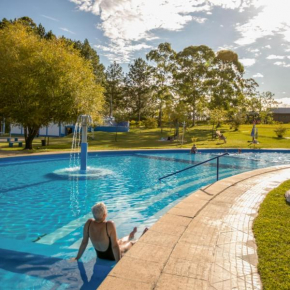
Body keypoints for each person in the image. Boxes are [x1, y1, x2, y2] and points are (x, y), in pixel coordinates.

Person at [71, 202, 148, 262]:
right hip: (112, 257)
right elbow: (114, 246)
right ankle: (141, 237)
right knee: (131, 243)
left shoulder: (89, 223)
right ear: (105, 215)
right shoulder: (109, 224)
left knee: (119, 241)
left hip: (100, 256)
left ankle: (129, 236)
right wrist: (118, 262)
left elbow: (84, 242)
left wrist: (77, 258)